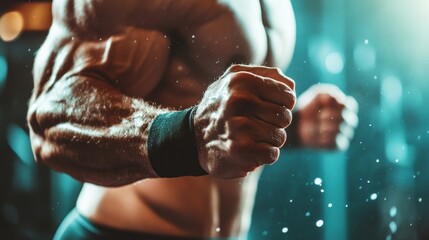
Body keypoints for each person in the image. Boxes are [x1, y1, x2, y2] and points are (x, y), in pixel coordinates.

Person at [27, 0, 358, 239]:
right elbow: (51, 118)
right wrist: (188, 135)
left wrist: (289, 125)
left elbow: (211, 120)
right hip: (120, 232)